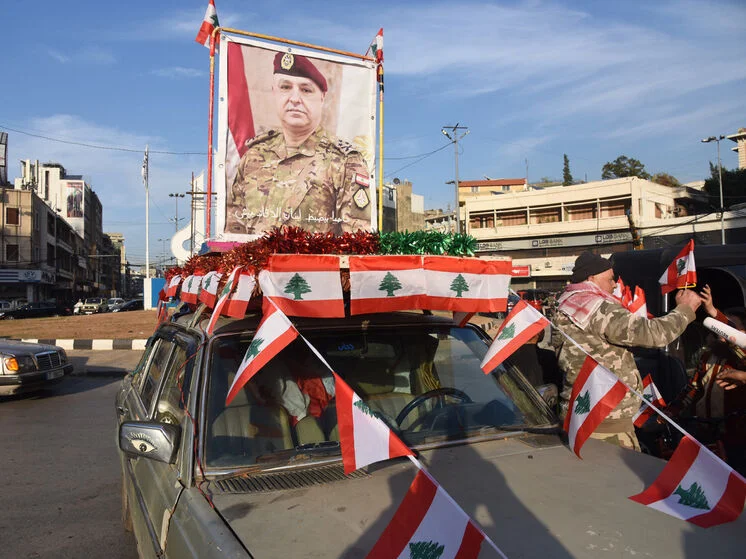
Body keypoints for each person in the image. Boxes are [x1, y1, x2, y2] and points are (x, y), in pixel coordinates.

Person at [553, 251, 701, 451]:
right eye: (610, 279)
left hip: (582, 414)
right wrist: (685, 309)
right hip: (605, 421)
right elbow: (654, 334)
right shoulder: (597, 308)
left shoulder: (567, 305)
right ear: (592, 279)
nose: (614, 284)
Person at [226, 51, 372, 236]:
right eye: (285, 87)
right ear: (274, 92)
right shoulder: (254, 157)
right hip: (255, 264)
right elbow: (234, 232)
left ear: (322, 98)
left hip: (314, 265)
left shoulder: (345, 162)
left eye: (306, 90)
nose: (294, 99)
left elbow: (356, 241)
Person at [666, 301, 746, 473]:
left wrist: (714, 313)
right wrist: (672, 411)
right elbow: (693, 388)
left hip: (735, 436)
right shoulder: (708, 356)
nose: (721, 332)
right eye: (718, 328)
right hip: (705, 432)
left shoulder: (741, 359)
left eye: (730, 328)